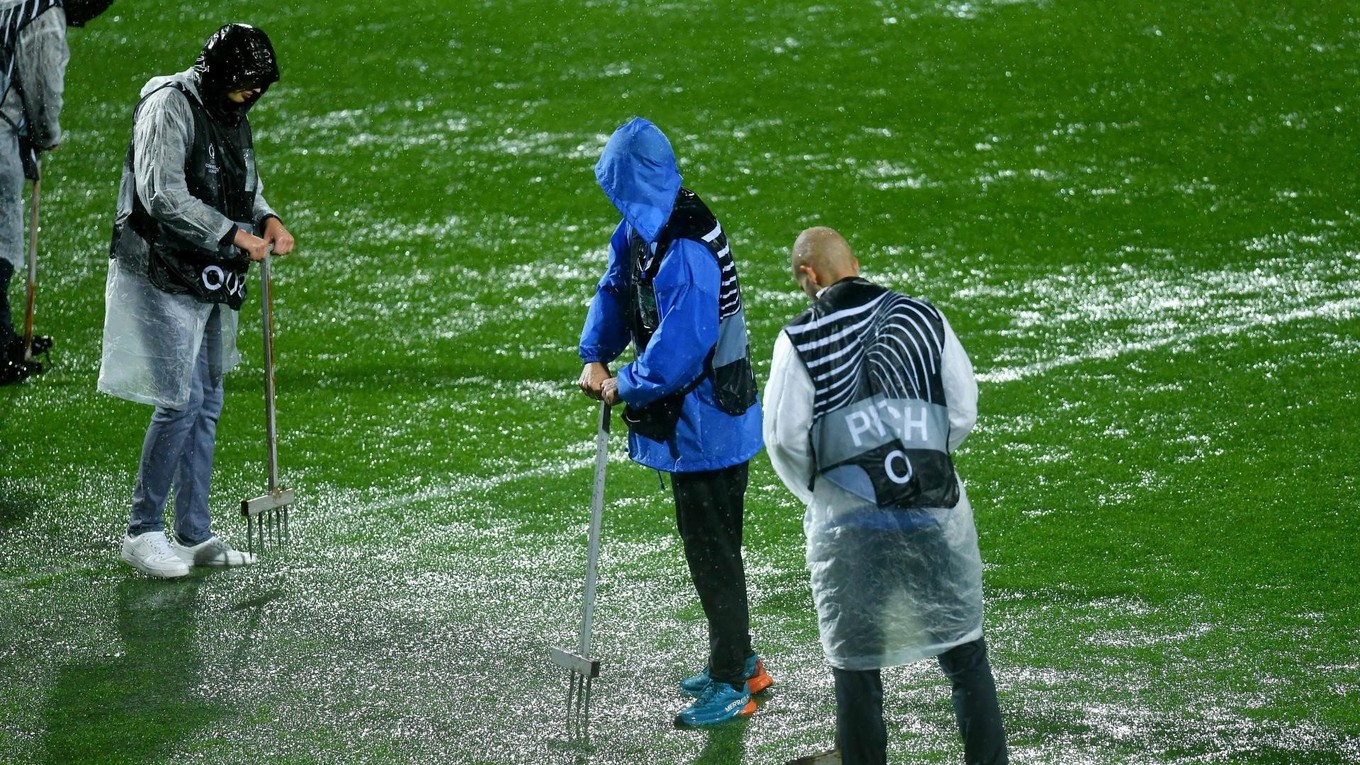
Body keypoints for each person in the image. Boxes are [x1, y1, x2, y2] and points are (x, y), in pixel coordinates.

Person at [764, 227, 1008, 765]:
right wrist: (918, 458)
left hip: (849, 526)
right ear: (854, 262)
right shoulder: (923, 317)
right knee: (966, 656)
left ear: (809, 275)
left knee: (856, 668)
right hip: (934, 509)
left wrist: (826, 493)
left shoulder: (799, 337)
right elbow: (962, 408)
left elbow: (783, 437)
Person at [576, 117, 771, 727]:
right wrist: (594, 354)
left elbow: (684, 344)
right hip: (699, 420)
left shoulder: (684, 246)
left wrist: (621, 384)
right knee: (714, 551)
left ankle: (733, 677)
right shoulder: (643, 226)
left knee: (715, 555)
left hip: (711, 422)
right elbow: (616, 291)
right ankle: (741, 664)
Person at [98, 23, 294, 579]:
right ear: (220, 76)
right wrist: (234, 236)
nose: (252, 94)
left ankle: (193, 531)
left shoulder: (230, 108)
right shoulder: (168, 106)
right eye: (245, 85)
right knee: (178, 398)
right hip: (164, 268)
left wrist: (267, 219)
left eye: (259, 86)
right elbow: (161, 192)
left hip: (208, 270)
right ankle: (143, 531)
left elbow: (241, 185)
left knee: (207, 398)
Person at [0, 0, 69, 384]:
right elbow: (42, 86)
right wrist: (46, 136)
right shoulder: (40, 12)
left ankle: (6, 336)